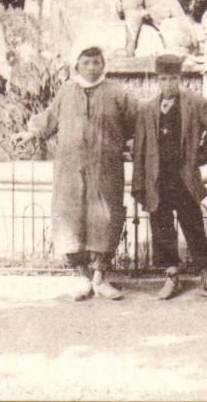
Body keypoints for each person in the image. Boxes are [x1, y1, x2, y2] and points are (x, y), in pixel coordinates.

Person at [15, 46, 136, 300]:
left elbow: (133, 122)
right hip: (71, 170)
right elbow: (50, 118)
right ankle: (82, 277)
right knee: (72, 218)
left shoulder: (117, 93)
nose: (92, 68)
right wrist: (32, 132)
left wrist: (127, 143)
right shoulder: (67, 91)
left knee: (106, 217)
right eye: (87, 63)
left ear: (103, 65)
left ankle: (100, 277)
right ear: (77, 65)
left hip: (105, 168)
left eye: (96, 62)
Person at [132, 53, 207, 302]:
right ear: (157, 80)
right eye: (163, 79)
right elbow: (140, 151)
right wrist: (140, 184)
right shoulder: (147, 109)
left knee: (194, 227)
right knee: (162, 228)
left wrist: (199, 156)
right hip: (158, 180)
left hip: (184, 179)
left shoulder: (194, 103)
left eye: (173, 79)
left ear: (180, 78)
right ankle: (171, 276)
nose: (168, 84)